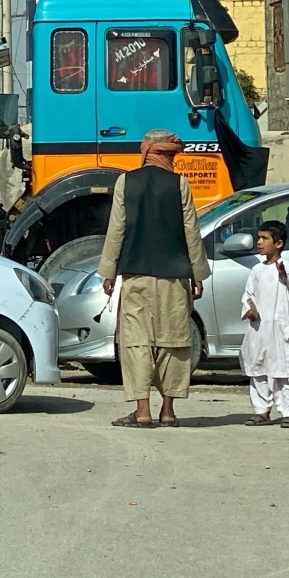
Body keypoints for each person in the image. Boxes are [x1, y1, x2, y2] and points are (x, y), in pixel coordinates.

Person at [98, 129, 212, 428]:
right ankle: (169, 412)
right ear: (168, 155)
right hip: (174, 278)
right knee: (173, 341)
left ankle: (142, 411)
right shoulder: (180, 184)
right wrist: (198, 274)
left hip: (136, 277)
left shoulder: (127, 182)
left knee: (136, 342)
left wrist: (109, 272)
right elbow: (191, 230)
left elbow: (117, 228)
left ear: (146, 150)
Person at [241, 221, 289, 429]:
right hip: (258, 328)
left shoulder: (286, 267)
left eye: (264, 238)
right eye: (258, 238)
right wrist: (248, 309)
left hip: (278, 327)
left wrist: (281, 268)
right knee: (258, 369)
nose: (259, 242)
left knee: (282, 370)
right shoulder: (257, 270)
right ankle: (261, 411)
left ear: (278, 243)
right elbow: (248, 294)